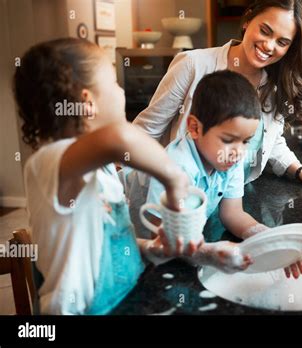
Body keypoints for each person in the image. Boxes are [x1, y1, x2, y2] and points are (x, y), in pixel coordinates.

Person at [13, 38, 196, 314]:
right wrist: (174, 179)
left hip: (124, 299)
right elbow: (119, 138)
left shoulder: (105, 168)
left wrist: (148, 248)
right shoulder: (48, 162)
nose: (121, 91)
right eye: (114, 83)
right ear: (87, 102)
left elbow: (104, 239)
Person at [133, 0, 302, 189]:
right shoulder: (193, 64)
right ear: (248, 20)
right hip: (179, 195)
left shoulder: (276, 85)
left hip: (233, 198)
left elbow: (271, 140)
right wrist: (115, 187)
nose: (268, 45)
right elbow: (146, 131)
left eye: (282, 42)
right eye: (265, 31)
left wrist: (300, 172)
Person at [134, 70, 302, 278]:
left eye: (246, 140)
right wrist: (208, 254)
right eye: (228, 140)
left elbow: (233, 214)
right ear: (194, 128)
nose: (239, 151)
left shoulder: (230, 159)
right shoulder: (174, 168)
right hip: (138, 248)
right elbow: (161, 240)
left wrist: (271, 241)